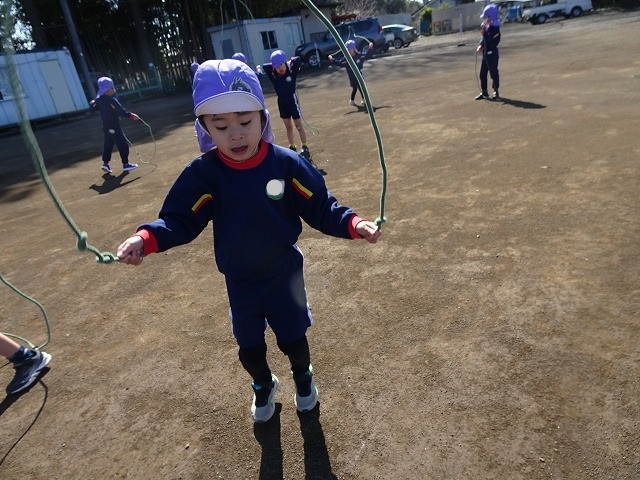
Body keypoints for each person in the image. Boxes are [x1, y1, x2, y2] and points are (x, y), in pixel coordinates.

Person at [116, 59, 381, 423]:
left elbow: (321, 206)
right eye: (221, 125)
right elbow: (179, 220)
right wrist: (144, 239)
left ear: (262, 117)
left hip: (284, 273)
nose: (236, 134)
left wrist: (354, 223)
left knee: (293, 339)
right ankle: (263, 383)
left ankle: (303, 378)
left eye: (245, 121)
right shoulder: (204, 174)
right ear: (204, 127)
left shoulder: (285, 165)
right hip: (240, 280)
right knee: (249, 347)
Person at [256, 50, 311, 160]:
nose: (279, 68)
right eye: (276, 66)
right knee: (288, 127)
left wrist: (288, 62)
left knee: (298, 125)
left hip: (292, 101)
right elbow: (265, 66)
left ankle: (304, 146)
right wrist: (274, 64)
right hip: (282, 103)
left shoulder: (292, 72)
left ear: (285, 63)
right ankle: (292, 146)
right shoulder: (274, 76)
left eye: (281, 64)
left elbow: (297, 59)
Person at [91, 77, 140, 173]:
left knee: (108, 145)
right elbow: (120, 111)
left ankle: (105, 163)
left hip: (106, 127)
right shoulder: (111, 100)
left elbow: (93, 108)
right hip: (114, 126)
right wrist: (130, 115)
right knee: (122, 144)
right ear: (108, 90)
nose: (114, 90)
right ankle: (126, 164)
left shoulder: (98, 101)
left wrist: (93, 103)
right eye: (112, 88)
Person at [329, 40, 374, 107]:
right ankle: (352, 100)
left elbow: (367, 55)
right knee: (355, 88)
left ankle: (364, 99)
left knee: (361, 87)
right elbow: (340, 63)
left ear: (354, 49)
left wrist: (370, 47)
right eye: (348, 50)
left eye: (350, 49)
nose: (349, 51)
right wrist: (332, 60)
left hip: (359, 75)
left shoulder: (359, 56)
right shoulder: (347, 59)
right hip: (352, 76)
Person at [475, 4, 501, 100]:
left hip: (492, 53)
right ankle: (484, 92)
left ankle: (496, 91)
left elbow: (489, 39)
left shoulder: (495, 29)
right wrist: (480, 45)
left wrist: (484, 33)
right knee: (482, 73)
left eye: (486, 17)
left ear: (490, 17)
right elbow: (484, 40)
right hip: (486, 53)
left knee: (493, 72)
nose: (484, 19)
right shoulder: (488, 27)